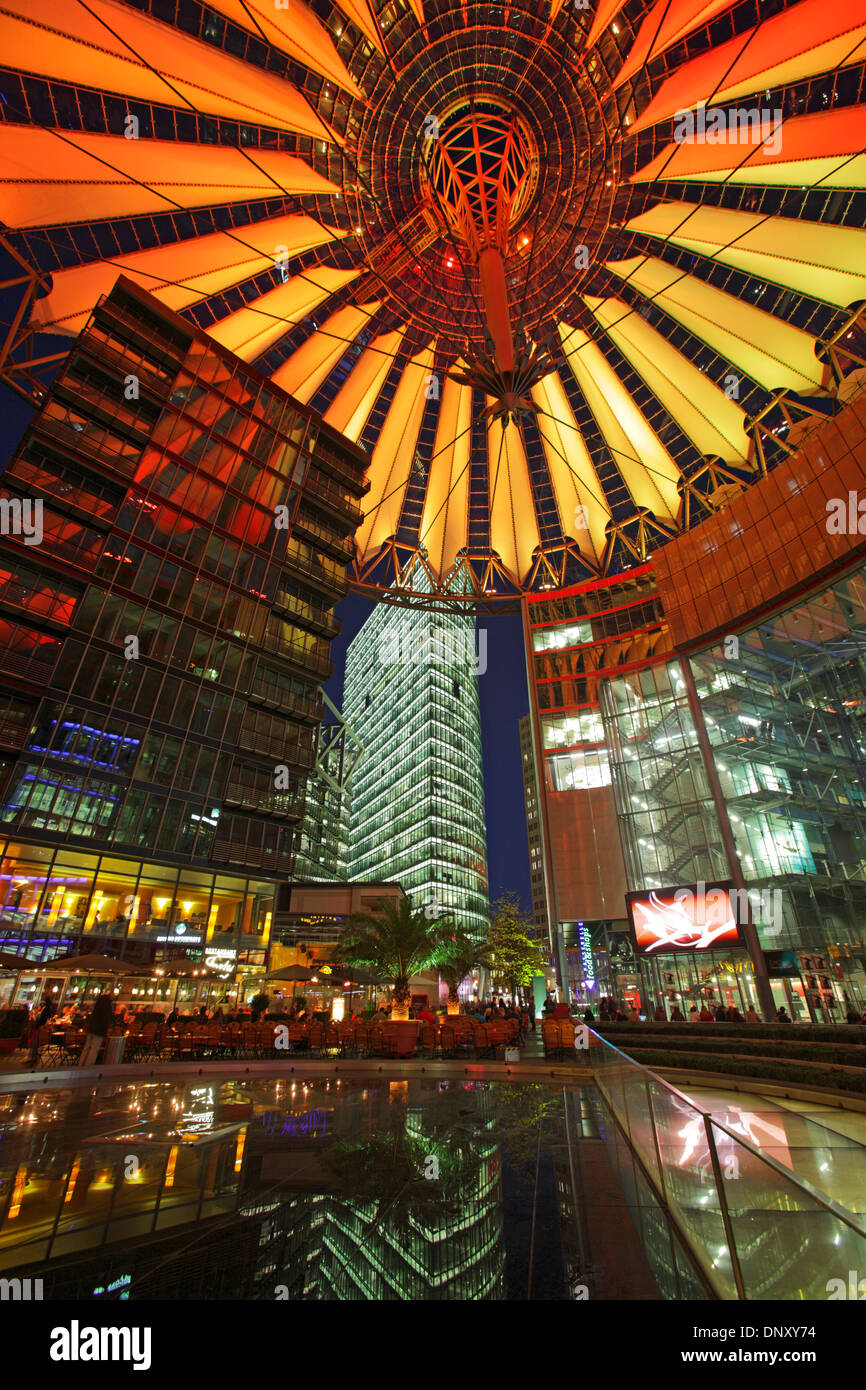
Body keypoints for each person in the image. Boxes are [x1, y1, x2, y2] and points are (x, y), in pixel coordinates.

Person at [79, 991, 115, 1067]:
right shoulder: (107, 1005)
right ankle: (88, 1065)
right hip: (99, 1030)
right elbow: (106, 1018)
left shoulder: (99, 1002)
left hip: (91, 1027)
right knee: (94, 1049)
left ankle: (81, 1063)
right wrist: (107, 1028)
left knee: (87, 1047)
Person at [27, 997, 56, 1066]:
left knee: (36, 1041)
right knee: (37, 1041)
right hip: (41, 1027)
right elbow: (48, 1018)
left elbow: (42, 1018)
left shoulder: (46, 1009)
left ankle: (33, 1055)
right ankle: (34, 1055)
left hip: (39, 1027)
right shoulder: (49, 1009)